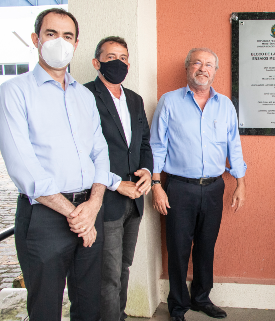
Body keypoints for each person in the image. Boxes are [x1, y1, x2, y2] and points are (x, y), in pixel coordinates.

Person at [0, 8, 117, 320]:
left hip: (89, 211)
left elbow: (100, 152)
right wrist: (76, 215)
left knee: (89, 305)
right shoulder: (14, 92)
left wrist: (92, 205)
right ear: (36, 39)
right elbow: (23, 167)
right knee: (45, 309)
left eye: (68, 36)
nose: (59, 42)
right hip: (45, 219)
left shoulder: (84, 96)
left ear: (76, 44)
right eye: (51, 34)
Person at [150, 48, 247, 321]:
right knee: (178, 248)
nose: (202, 69)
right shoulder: (169, 102)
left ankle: (202, 297)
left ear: (215, 71)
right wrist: (156, 184)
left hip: (215, 188)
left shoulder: (225, 105)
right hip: (179, 188)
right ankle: (178, 306)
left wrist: (241, 183)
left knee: (206, 245)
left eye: (208, 65)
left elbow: (234, 147)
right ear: (187, 68)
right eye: (197, 63)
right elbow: (156, 146)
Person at [84, 36, 153, 321]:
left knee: (124, 266)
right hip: (107, 201)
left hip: (135, 202)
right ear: (96, 62)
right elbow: (82, 151)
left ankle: (119, 316)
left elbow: (145, 143)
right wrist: (115, 183)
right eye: (111, 57)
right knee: (108, 276)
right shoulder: (85, 96)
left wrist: (148, 172)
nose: (119, 62)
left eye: (123, 57)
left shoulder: (135, 100)